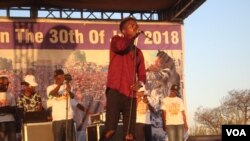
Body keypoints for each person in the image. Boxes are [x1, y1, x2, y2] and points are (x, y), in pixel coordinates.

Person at [100, 17, 146, 141]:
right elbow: (121, 47)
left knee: (130, 135)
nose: (135, 26)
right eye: (132, 25)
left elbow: (142, 74)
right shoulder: (116, 40)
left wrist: (140, 83)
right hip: (115, 91)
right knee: (110, 130)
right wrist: (132, 37)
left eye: (136, 24)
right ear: (124, 31)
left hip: (130, 95)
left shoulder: (138, 52)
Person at [47, 69, 75, 141]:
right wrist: (59, 84)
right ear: (55, 78)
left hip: (68, 117)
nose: (61, 79)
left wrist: (69, 91)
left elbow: (72, 96)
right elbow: (51, 94)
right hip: (57, 119)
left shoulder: (67, 86)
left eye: (62, 77)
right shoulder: (50, 87)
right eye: (58, 78)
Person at [0, 75, 17, 141]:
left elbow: (14, 109)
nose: (5, 86)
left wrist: (6, 108)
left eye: (7, 84)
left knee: (12, 139)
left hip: (10, 121)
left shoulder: (10, 95)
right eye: (3, 84)